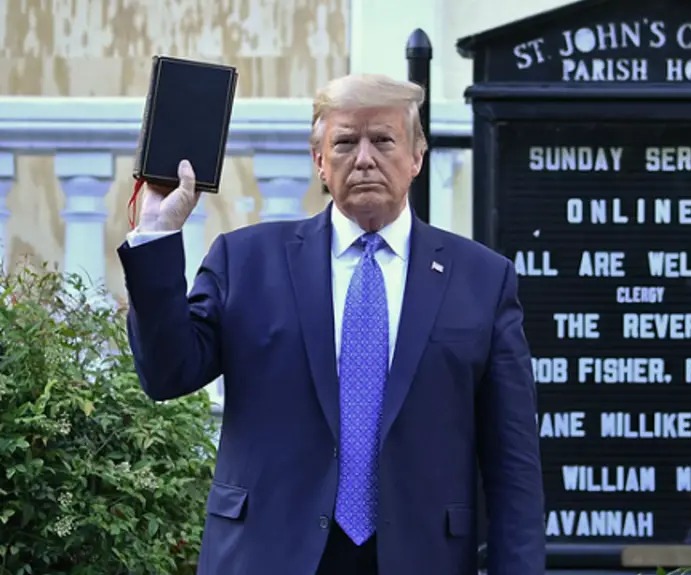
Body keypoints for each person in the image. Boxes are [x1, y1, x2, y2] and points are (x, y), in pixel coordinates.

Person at [117, 73, 546, 575]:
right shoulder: (247, 260)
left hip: (421, 556)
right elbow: (168, 374)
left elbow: (513, 465)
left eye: (383, 140)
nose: (364, 158)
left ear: (416, 158)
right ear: (320, 161)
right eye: (345, 142)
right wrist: (157, 234)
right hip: (269, 554)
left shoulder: (482, 279)